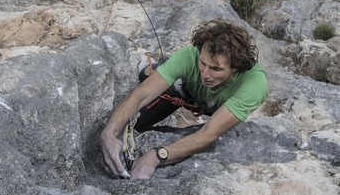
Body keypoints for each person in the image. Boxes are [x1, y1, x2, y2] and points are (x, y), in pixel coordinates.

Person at [99, 18, 269, 180]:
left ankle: (165, 69)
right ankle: (165, 70)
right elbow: (141, 94)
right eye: (203, 63)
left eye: (216, 69)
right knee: (138, 117)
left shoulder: (254, 84)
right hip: (186, 91)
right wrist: (109, 132)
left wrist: (157, 155)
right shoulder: (189, 56)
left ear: (236, 67)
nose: (206, 73)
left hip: (218, 107)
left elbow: (208, 134)